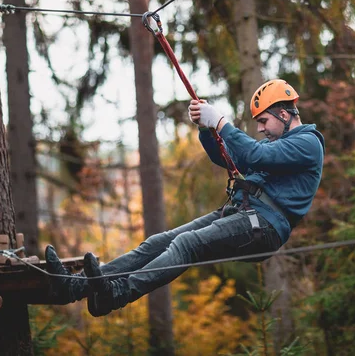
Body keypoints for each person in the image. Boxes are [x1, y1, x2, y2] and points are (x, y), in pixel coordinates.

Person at [45, 79, 325, 317]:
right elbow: (229, 158)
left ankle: (117, 293)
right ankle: (74, 286)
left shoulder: (307, 143)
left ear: (284, 115)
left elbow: (254, 155)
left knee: (188, 244)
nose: (261, 129)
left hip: (264, 227)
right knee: (158, 243)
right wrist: (206, 129)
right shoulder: (275, 146)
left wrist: (221, 121)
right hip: (243, 214)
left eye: (264, 121)